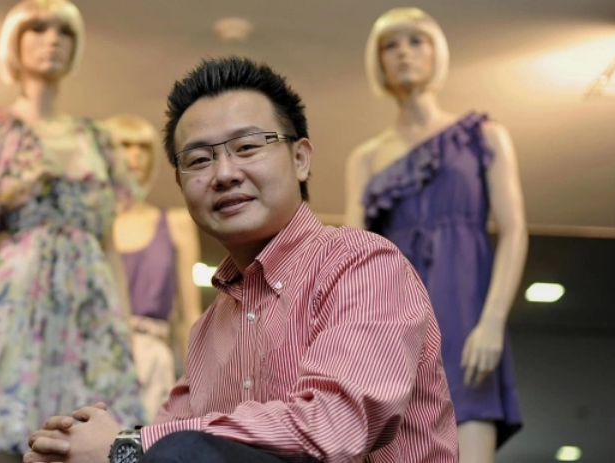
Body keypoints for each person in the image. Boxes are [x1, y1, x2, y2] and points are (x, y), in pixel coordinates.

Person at [23, 56, 458, 463]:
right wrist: (72, 448)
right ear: (181, 183)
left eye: (248, 147)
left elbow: (334, 424)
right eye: (199, 160)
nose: (225, 174)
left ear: (300, 159)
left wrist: (126, 446)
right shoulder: (208, 330)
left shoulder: (363, 265)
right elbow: (166, 440)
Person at [0, 1, 146, 461]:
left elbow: (109, 246)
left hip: (91, 309)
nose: (52, 40)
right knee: (7, 435)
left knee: (94, 435)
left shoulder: (97, 139)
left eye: (64, 32)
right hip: (16, 300)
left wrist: (125, 333)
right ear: (15, 41)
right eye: (38, 29)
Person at [343, 8, 528, 462]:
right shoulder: (365, 159)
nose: (404, 53)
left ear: (436, 52)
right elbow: (350, 257)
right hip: (396, 327)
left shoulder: (483, 136)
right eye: (391, 45)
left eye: (416, 41)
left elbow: (514, 231)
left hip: (467, 319)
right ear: (378, 62)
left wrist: (493, 321)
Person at [102, 114, 203, 422]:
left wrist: (198, 390)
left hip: (152, 360)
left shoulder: (175, 225)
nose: (135, 155)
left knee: (144, 441)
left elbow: (190, 315)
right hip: (95, 353)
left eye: (143, 147)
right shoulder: (88, 230)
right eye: (125, 145)